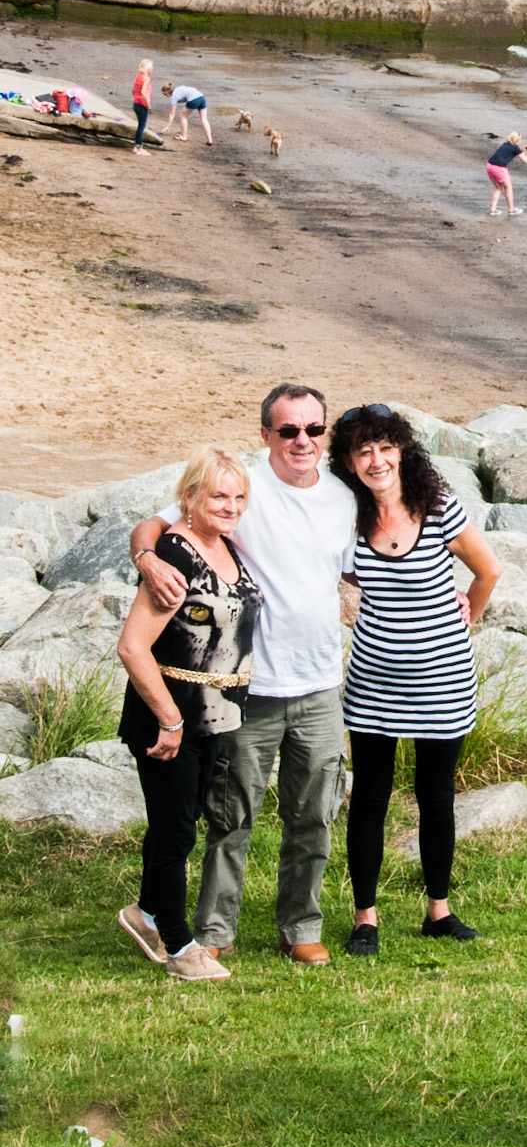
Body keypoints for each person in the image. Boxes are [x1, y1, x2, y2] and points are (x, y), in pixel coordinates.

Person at [130, 384, 358, 966]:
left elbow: (364, 571)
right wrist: (147, 560)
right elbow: (154, 528)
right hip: (248, 689)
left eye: (314, 429)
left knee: (314, 813)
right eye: (288, 430)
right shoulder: (242, 488)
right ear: (266, 435)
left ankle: (301, 926)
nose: (302, 441)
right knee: (231, 814)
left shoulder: (342, 497)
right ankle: (211, 928)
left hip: (320, 686)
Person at [330, 405, 502, 955]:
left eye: (385, 447)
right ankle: (365, 919)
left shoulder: (439, 509)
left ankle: (439, 911)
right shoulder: (346, 520)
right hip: (374, 682)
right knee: (371, 800)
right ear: (350, 463)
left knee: (436, 795)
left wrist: (469, 613)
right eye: (363, 451)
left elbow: (488, 569)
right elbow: (340, 574)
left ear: (402, 450)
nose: (376, 461)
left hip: (444, 679)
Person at [117, 448, 262, 982]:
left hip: (217, 717)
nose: (230, 505)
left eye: (238, 496)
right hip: (170, 719)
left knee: (177, 825)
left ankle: (146, 914)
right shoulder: (175, 554)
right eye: (218, 496)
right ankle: (179, 947)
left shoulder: (227, 547)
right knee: (175, 832)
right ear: (190, 498)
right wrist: (169, 720)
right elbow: (133, 647)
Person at [486, 131, 527, 216]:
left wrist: (521, 150)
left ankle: (493, 210)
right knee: (508, 188)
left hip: (489, 166)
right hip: (499, 168)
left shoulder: (505, 144)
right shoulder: (515, 148)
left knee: (498, 188)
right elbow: (526, 160)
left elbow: (511, 152)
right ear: (518, 140)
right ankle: (511, 210)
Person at [161, 81, 213, 146]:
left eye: (165, 94)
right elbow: (194, 89)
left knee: (182, 116)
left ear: (167, 92)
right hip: (201, 96)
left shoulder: (173, 97)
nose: (166, 96)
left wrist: (168, 126)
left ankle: (184, 136)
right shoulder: (179, 88)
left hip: (193, 100)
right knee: (204, 119)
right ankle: (209, 139)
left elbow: (172, 113)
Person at [131, 57, 153, 156]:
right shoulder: (146, 78)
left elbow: (133, 89)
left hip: (136, 103)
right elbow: (144, 92)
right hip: (142, 104)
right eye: (151, 68)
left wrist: (135, 98)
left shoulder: (138, 77)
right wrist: (148, 105)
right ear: (148, 69)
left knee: (140, 125)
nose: (152, 70)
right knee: (142, 126)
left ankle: (137, 145)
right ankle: (138, 147)